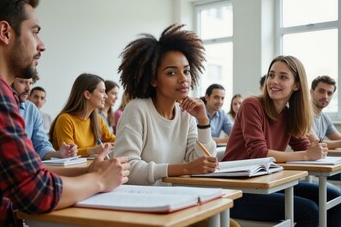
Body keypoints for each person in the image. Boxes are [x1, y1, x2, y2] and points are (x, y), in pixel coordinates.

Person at [0, 0, 129, 225]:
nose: (42, 46)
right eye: (35, 32)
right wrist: (99, 180)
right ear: (5, 32)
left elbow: (31, 170)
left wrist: (89, 172)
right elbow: (35, 192)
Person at [222, 55, 341, 226]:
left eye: (283, 77)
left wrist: (314, 149)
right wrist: (307, 155)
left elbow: (304, 146)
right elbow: (259, 153)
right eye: (271, 75)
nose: (274, 81)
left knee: (335, 197)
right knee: (309, 211)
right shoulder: (251, 105)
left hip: (267, 182)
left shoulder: (287, 114)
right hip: (239, 190)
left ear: (297, 85)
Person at [114, 24, 218, 186]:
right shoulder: (137, 109)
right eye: (171, 73)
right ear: (153, 80)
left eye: (186, 71)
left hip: (175, 196)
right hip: (141, 201)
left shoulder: (186, 114)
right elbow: (127, 169)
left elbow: (201, 162)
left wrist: (203, 122)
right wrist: (184, 169)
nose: (183, 79)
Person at [49, 73, 116, 157]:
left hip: (91, 167)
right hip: (70, 169)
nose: (106, 96)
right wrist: (93, 150)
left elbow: (114, 140)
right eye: (102, 91)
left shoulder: (98, 119)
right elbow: (69, 152)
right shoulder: (65, 119)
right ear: (87, 94)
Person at [12, 77, 77, 159]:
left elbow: (41, 145)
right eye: (22, 82)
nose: (28, 88)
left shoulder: (32, 109)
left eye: (30, 83)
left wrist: (59, 154)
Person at [308, 75, 341, 149]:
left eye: (329, 93)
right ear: (311, 92)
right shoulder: (302, 113)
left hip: (317, 159)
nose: (325, 96)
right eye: (321, 91)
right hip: (299, 159)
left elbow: (339, 138)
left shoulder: (325, 118)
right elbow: (316, 143)